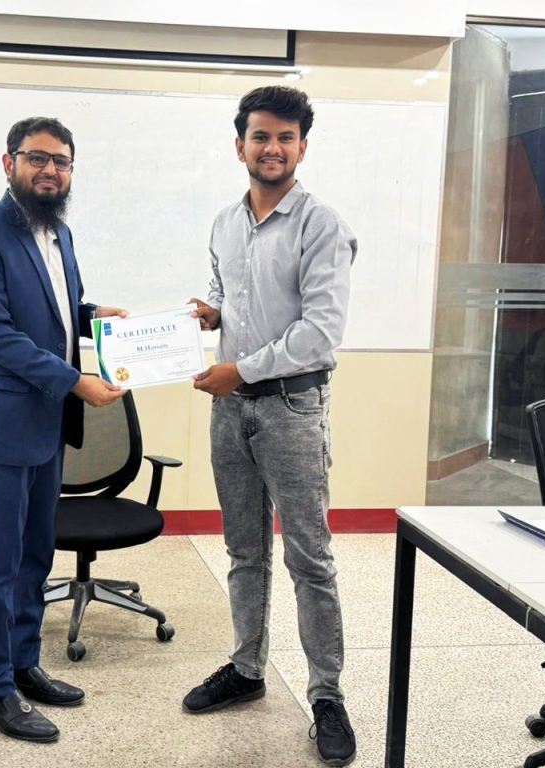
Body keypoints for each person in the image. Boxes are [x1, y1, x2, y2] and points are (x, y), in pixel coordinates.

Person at [184, 86, 359, 766]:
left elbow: (319, 334)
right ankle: (247, 669)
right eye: (261, 136)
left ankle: (327, 696)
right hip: (231, 412)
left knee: (309, 558)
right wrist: (212, 313)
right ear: (240, 146)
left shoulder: (322, 225)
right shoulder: (225, 223)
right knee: (244, 550)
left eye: (286, 137)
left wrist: (241, 370)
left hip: (291, 407)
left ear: (302, 148)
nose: (273, 148)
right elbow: (230, 295)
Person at [0, 116, 127, 744]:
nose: (51, 170)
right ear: (10, 163)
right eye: (38, 158)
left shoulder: (60, 233)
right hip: (1, 424)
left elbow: (53, 312)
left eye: (62, 161)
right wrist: (74, 381)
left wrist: (93, 314)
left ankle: (25, 664)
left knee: (34, 554)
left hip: (47, 424)